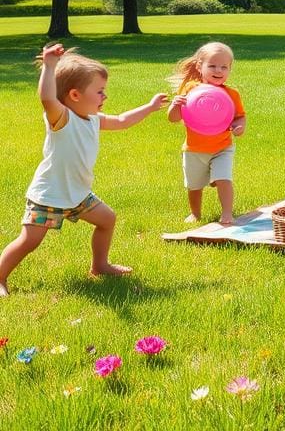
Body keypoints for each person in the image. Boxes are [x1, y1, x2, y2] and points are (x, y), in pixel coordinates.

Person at [0, 44, 167, 296]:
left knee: (107, 219)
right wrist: (49, 66)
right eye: (99, 91)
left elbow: (122, 121)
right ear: (75, 95)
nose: (105, 96)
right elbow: (47, 98)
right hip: (50, 197)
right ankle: (1, 277)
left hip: (78, 195)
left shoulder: (93, 120)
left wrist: (150, 106)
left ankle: (99, 265)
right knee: (30, 241)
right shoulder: (62, 118)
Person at [167, 42, 245, 225]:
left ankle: (227, 213)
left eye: (224, 67)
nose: (218, 70)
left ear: (230, 69)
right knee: (194, 186)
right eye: (212, 66)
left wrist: (239, 127)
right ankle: (195, 213)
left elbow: (240, 116)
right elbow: (173, 118)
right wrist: (175, 105)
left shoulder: (232, 95)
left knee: (223, 179)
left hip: (222, 147)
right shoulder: (190, 90)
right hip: (194, 149)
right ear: (199, 66)